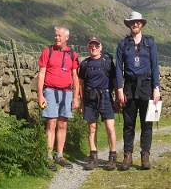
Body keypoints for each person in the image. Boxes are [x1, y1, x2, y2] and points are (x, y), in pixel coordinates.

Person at [116, 11, 161, 170]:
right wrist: (120, 89)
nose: (135, 24)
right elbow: (118, 68)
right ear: (129, 25)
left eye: (138, 22)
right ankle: (127, 156)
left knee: (146, 123)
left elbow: (155, 66)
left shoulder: (150, 43)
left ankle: (145, 156)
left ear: (141, 24)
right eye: (132, 22)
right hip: (129, 86)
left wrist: (156, 88)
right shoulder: (122, 44)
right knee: (128, 123)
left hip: (147, 86)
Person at [37, 26, 80, 171]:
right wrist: (40, 95)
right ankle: (48, 156)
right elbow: (41, 74)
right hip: (50, 91)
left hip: (67, 92)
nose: (57, 38)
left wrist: (76, 97)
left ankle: (59, 155)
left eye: (59, 36)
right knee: (51, 123)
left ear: (66, 38)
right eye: (55, 35)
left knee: (63, 124)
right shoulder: (47, 51)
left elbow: (75, 76)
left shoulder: (73, 55)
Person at [78, 37, 117, 171]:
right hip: (90, 98)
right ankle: (93, 158)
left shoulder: (108, 62)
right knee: (92, 128)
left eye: (96, 46)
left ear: (100, 47)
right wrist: (82, 103)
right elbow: (81, 84)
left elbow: (114, 80)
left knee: (110, 127)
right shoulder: (84, 64)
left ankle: (112, 158)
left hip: (105, 96)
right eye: (91, 46)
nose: (93, 48)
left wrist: (117, 97)